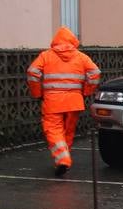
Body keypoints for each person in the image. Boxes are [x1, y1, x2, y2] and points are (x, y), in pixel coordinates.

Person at [26, 27, 101, 176]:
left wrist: (37, 92)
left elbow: (32, 72)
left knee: (54, 131)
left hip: (52, 101)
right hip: (74, 102)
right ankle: (64, 159)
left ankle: (63, 160)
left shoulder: (45, 56)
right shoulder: (81, 57)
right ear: (73, 41)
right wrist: (86, 91)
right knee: (68, 132)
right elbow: (95, 73)